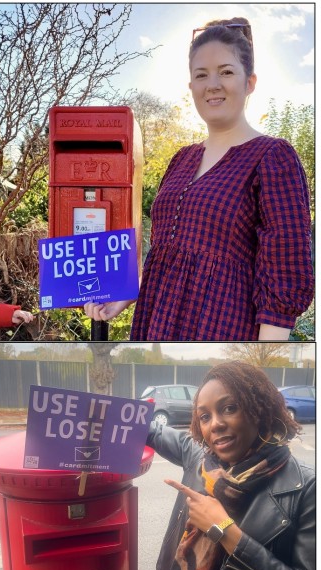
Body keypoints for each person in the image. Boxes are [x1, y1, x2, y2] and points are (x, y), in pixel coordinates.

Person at [85, 19, 313, 341]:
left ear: (250, 82)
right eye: (201, 75)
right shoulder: (182, 159)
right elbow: (165, 249)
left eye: (227, 71)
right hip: (156, 327)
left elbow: (285, 268)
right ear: (191, 86)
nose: (213, 84)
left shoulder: (273, 157)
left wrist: (266, 362)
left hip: (222, 333)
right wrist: (126, 292)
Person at [147, 361, 314, 570]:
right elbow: (153, 429)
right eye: (205, 416)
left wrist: (225, 531)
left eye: (229, 408)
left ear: (258, 409)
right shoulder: (201, 461)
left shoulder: (305, 487)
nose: (215, 425)